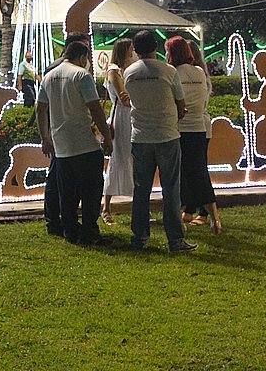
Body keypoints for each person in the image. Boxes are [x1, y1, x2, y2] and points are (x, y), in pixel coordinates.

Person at [123, 30, 194, 253]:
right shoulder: (169, 71)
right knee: (171, 189)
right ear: (156, 47)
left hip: (141, 137)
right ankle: (175, 240)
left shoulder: (129, 72)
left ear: (134, 49)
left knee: (141, 189)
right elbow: (181, 104)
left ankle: (139, 237)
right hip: (167, 135)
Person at [35, 39, 112, 244]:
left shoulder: (49, 76)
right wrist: (106, 136)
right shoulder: (81, 75)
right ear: (82, 57)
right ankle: (89, 231)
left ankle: (69, 231)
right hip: (85, 144)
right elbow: (95, 108)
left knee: (67, 193)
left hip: (61, 146)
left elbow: (40, 108)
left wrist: (45, 137)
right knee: (91, 191)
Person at [166, 35, 220, 233]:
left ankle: (184, 215)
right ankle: (214, 218)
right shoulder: (199, 73)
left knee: (179, 175)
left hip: (179, 130)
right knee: (199, 173)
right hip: (199, 128)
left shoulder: (173, 73)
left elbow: (173, 102)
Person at [100, 38, 136, 224]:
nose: (134, 52)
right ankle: (106, 206)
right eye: (131, 49)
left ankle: (138, 206)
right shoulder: (114, 70)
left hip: (131, 118)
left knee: (133, 160)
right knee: (119, 159)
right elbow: (124, 99)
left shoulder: (129, 69)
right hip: (122, 119)